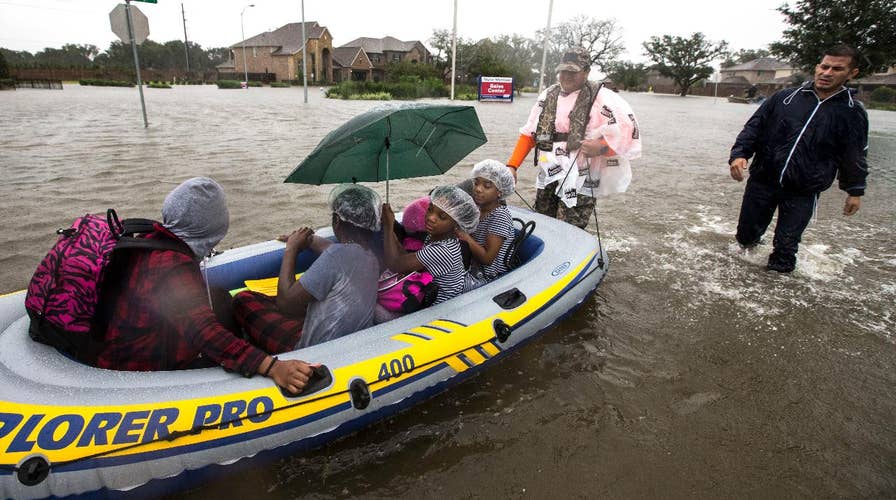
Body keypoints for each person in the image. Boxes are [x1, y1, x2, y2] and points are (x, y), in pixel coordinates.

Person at [93, 177, 314, 394]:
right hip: (143, 368)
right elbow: (205, 333)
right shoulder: (174, 267)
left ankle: (244, 348)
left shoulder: (151, 239)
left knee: (218, 296)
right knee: (221, 341)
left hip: (131, 341)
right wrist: (271, 367)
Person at [728, 44, 869, 273]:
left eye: (836, 69)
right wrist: (739, 154)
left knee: (785, 248)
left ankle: (777, 288)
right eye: (824, 66)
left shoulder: (852, 112)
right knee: (745, 238)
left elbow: (855, 153)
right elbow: (754, 127)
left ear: (851, 73)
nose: (827, 73)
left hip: (804, 190)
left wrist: (855, 190)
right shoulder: (785, 97)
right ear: (817, 67)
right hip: (763, 180)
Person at [506, 47, 642, 228]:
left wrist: (602, 147)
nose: (566, 76)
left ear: (586, 71)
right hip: (549, 171)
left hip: (582, 177)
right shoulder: (548, 95)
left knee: (569, 229)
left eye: (573, 72)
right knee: (541, 223)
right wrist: (512, 166)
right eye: (563, 71)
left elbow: (627, 139)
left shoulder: (604, 100)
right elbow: (529, 134)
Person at [233, 184, 381, 349]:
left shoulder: (336, 257)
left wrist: (291, 249)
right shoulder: (371, 257)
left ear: (337, 221)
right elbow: (333, 250)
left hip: (316, 347)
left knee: (243, 299)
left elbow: (286, 304)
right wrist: (307, 239)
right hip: (348, 338)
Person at [381, 185, 479, 305]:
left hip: (440, 305)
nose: (431, 218)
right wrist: (392, 233)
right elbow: (407, 260)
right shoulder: (437, 237)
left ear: (457, 224)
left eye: (442, 217)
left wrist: (388, 227)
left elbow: (394, 265)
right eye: (430, 209)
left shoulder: (441, 250)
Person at [456, 159, 516, 282]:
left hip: (486, 276)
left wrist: (464, 236)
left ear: (500, 192)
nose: (478, 189)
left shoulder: (499, 216)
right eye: (476, 183)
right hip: (472, 267)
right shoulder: (478, 210)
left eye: (487, 186)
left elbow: (487, 259)